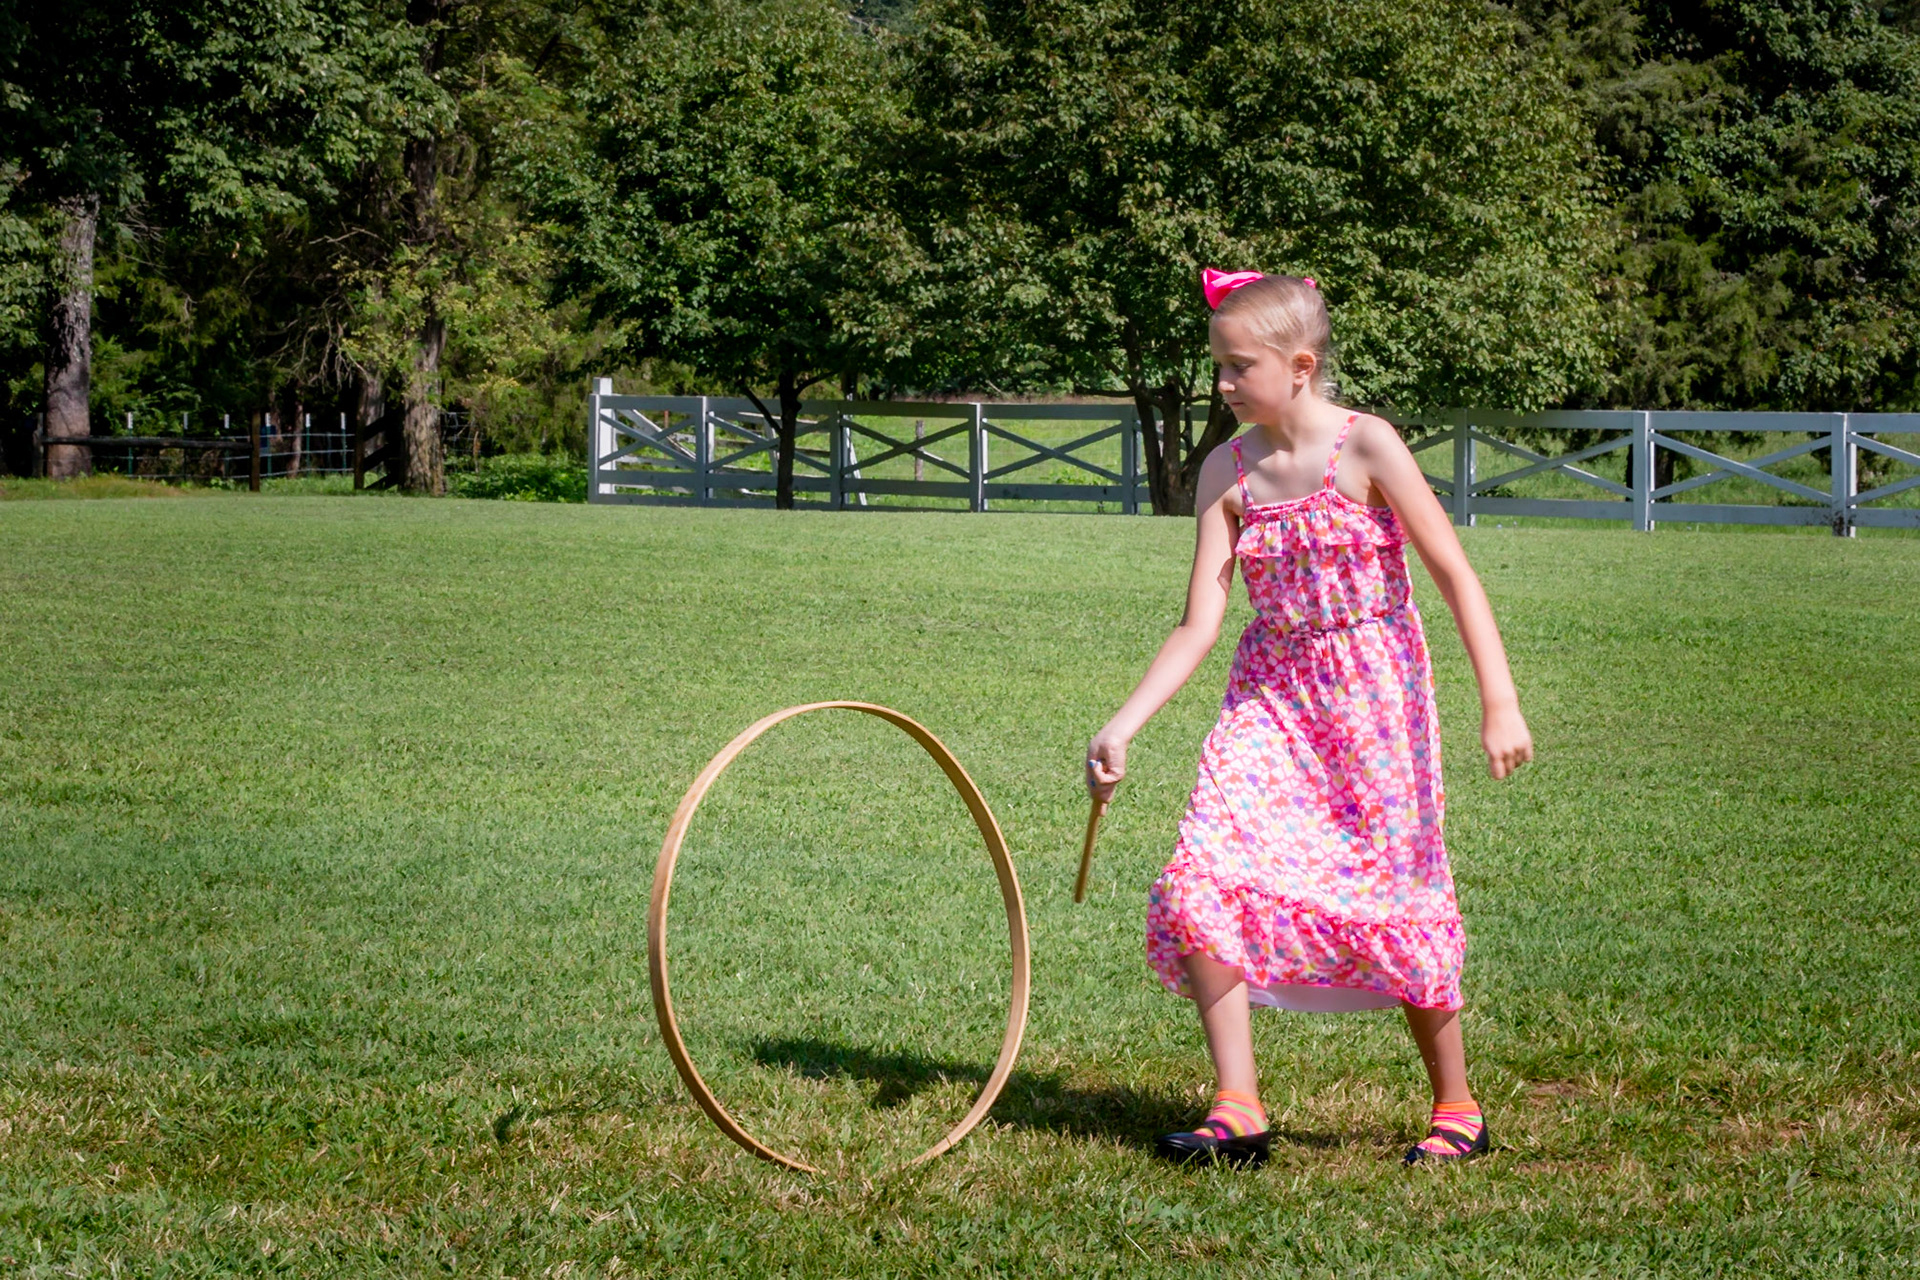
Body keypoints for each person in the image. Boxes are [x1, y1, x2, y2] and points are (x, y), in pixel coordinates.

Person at [1085, 268, 1534, 1169]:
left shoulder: (1367, 447)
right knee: (1200, 873)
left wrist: (1500, 699)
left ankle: (1457, 1107)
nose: (1220, 385)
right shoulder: (1227, 469)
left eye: (1234, 368)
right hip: (1271, 698)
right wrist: (1122, 723)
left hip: (1375, 700)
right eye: (1216, 366)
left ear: (1298, 366)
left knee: (1395, 893)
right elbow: (1200, 619)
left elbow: (1454, 573)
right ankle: (1238, 1109)